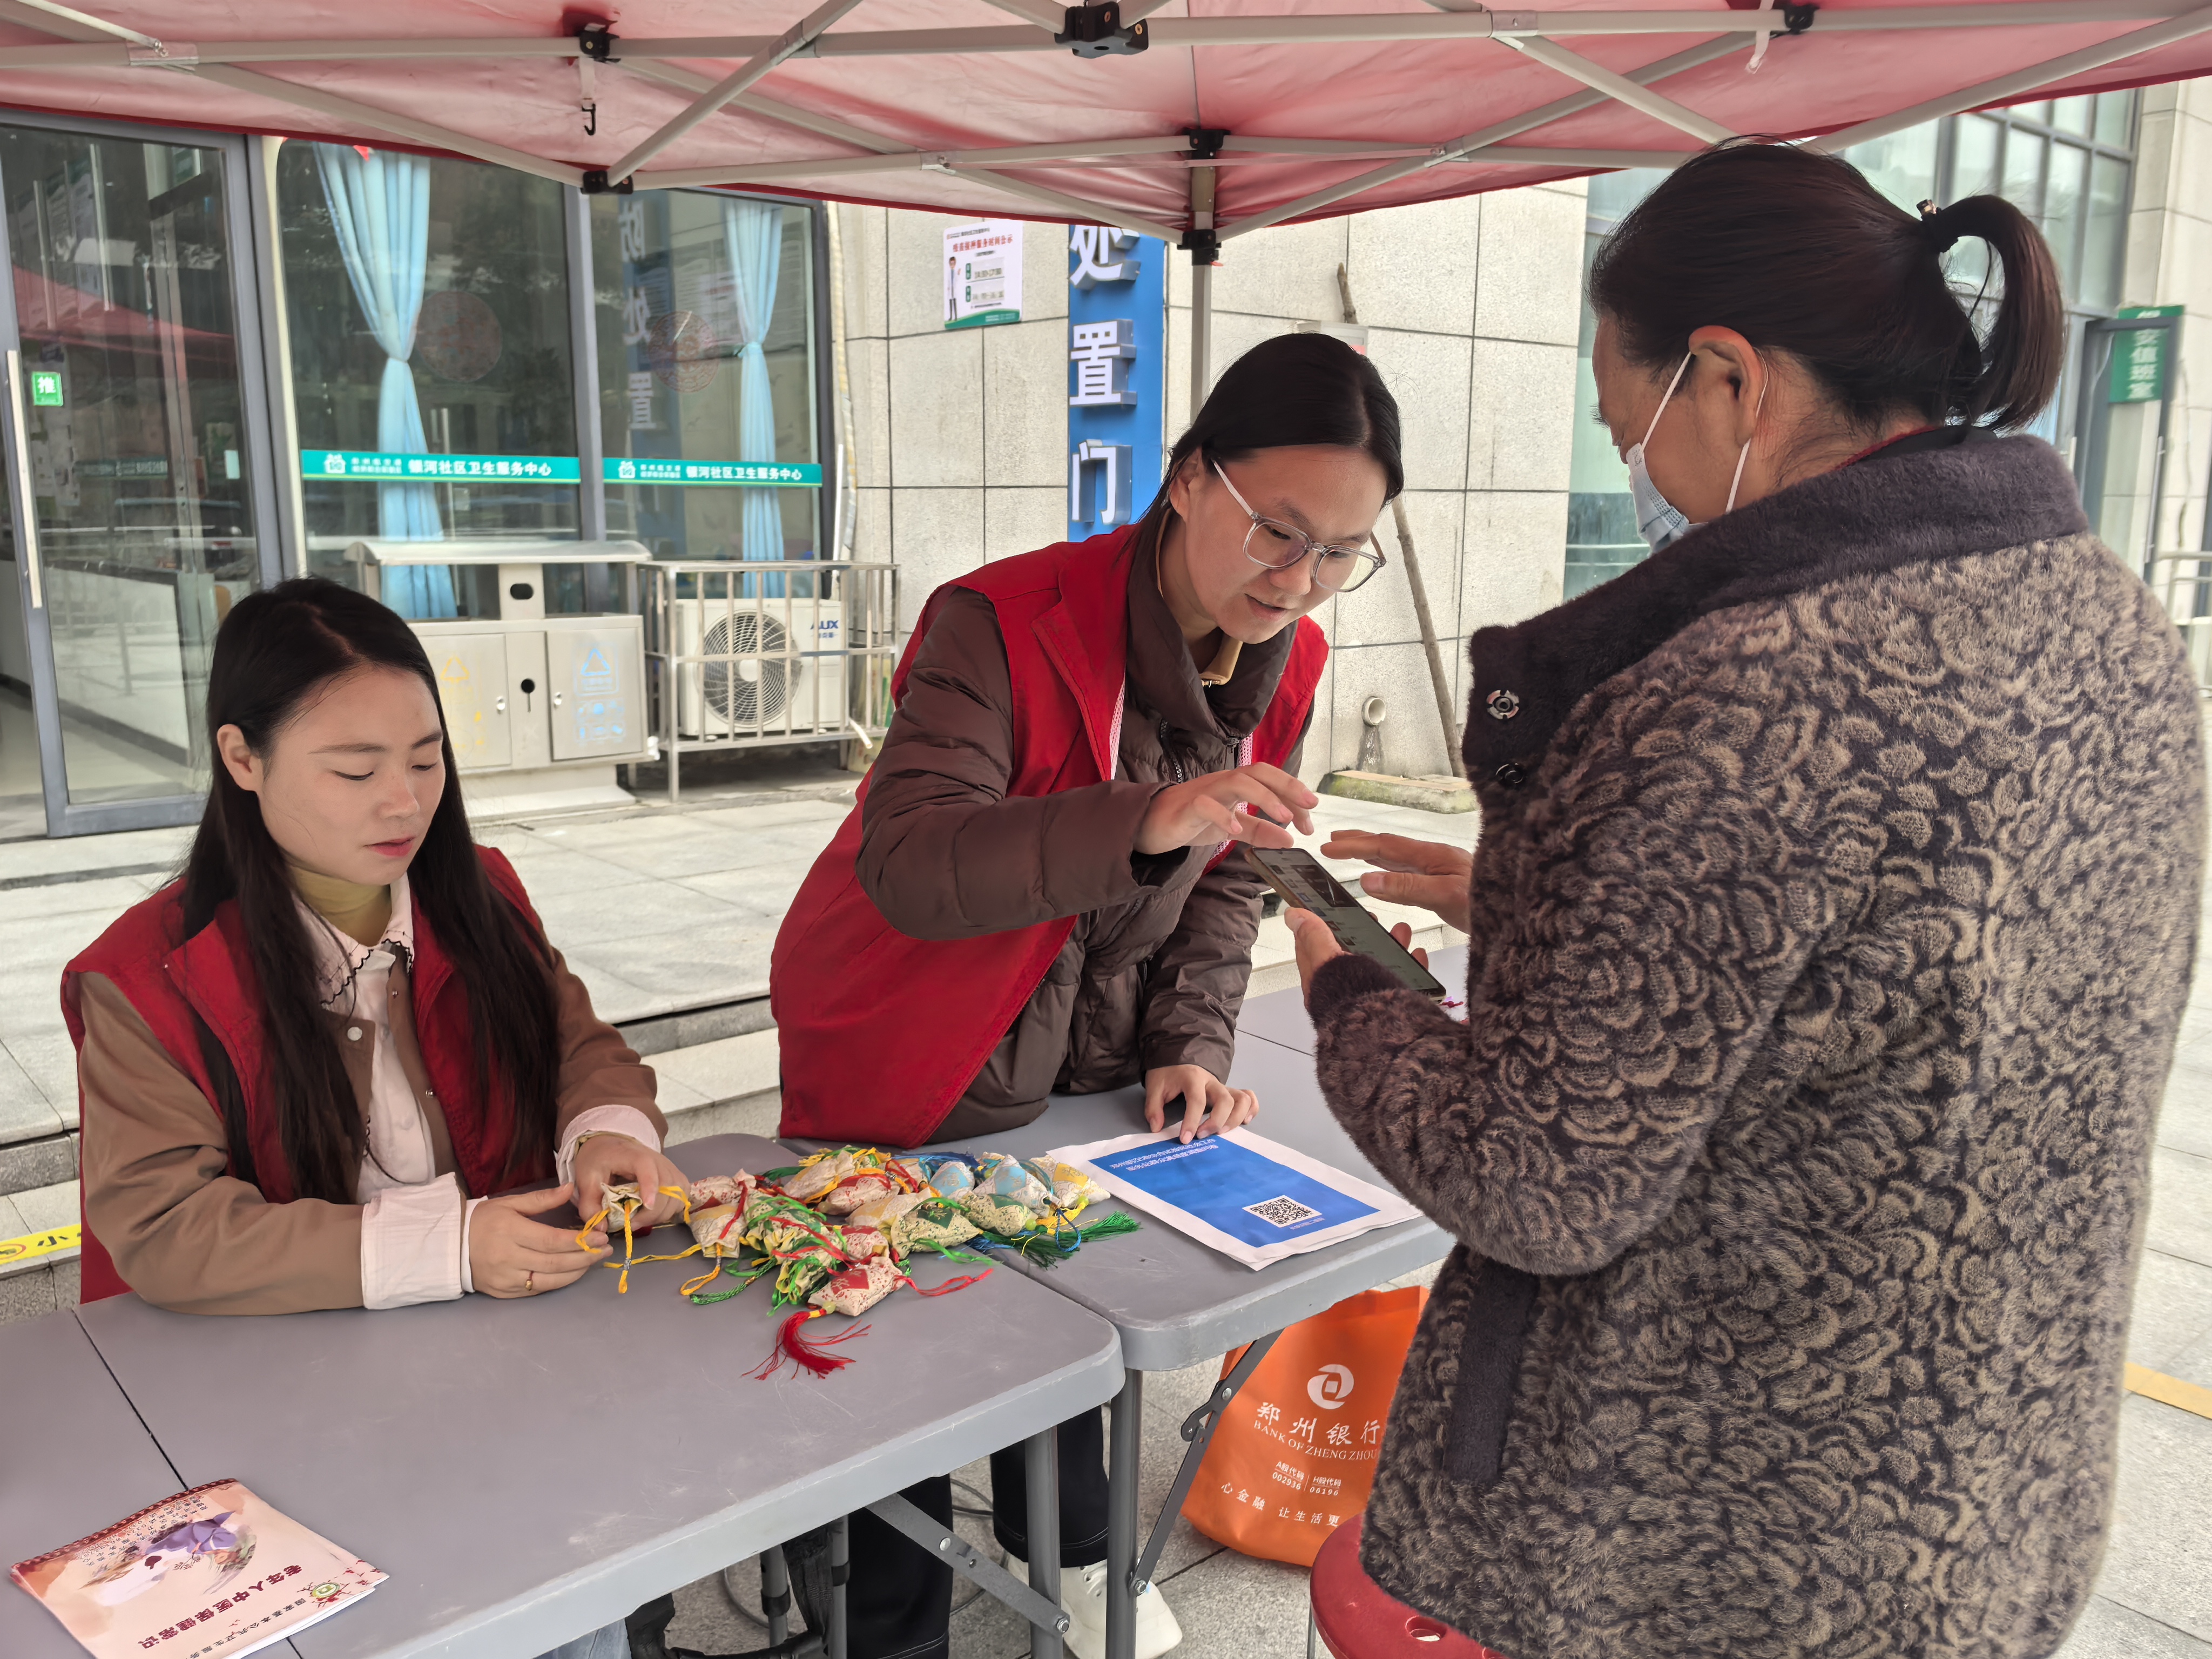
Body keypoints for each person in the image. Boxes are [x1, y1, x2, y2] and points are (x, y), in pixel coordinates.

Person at [1285, 137, 2207, 1659]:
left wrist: (1349, 986)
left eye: (1625, 425)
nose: (1634, 471)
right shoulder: (2113, 625)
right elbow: (1880, 975)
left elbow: (1540, 1178)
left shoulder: (1747, 691)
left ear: (1727, 380)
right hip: (1993, 1474)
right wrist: (1536, 906)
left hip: (1735, 1531)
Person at [768, 332, 1402, 1659]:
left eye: (1340, 553)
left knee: (1080, 1296)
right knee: (908, 1336)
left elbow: (1236, 878)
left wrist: (1187, 1036)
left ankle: (1061, 1548)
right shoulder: (996, 620)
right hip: (917, 1024)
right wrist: (1154, 809)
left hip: (1093, 1046)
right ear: (1185, 482)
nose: (1297, 584)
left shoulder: (1288, 665)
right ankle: (888, 1625)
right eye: (1276, 534)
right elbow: (911, 860)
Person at [65, 578, 692, 1659]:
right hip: (277, 1398)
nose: (403, 801)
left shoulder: (478, 893)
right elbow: (164, 1229)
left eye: (425, 758)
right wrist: (450, 1245)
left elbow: (578, 1047)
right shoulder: (145, 979)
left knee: (575, 1583)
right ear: (242, 759)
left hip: (507, 1366)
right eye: (354, 770)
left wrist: (606, 1134)